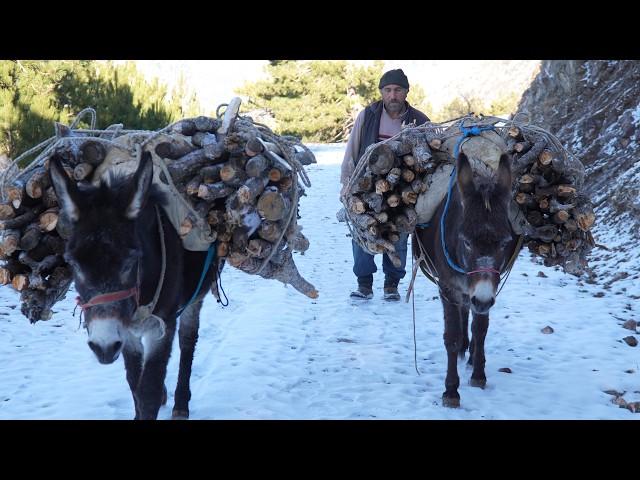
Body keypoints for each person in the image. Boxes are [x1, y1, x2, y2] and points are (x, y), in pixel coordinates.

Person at [340, 69, 430, 301]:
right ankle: (364, 284)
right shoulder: (368, 116)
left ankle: (392, 284)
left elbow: (432, 157)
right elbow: (352, 150)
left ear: (406, 92)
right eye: (388, 90)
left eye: (397, 90)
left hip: (402, 191)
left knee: (398, 236)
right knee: (363, 235)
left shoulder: (420, 121)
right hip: (366, 188)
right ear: (381, 92)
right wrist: (346, 183)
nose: (393, 95)